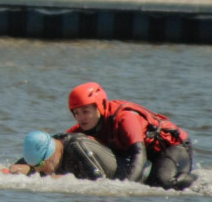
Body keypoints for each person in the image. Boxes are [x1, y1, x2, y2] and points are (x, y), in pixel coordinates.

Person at [65, 81, 197, 190]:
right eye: (76, 113)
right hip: (149, 156)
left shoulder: (125, 118)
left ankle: (201, 184)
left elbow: (139, 154)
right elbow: (59, 144)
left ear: (100, 107)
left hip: (174, 148)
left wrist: (126, 187)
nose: (81, 118)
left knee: (163, 183)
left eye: (85, 111)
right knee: (148, 186)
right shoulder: (84, 127)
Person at [7, 130, 118, 180]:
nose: (38, 170)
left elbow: (100, 183)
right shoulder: (47, 147)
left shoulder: (78, 148)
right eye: (34, 166)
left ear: (50, 155)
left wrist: (66, 181)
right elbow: (31, 163)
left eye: (40, 164)